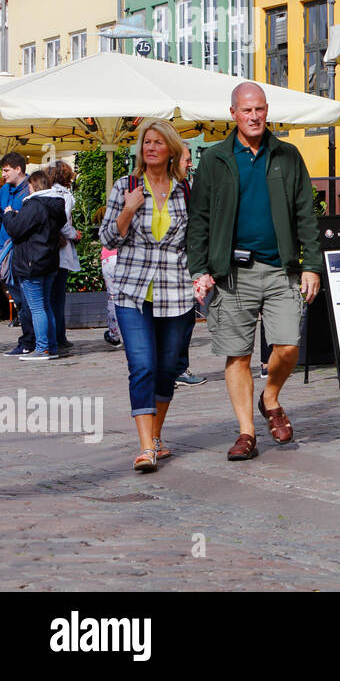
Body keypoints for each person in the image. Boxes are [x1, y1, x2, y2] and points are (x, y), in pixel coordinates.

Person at [189, 82, 322, 462]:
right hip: (231, 273)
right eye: (246, 110)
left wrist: (311, 265)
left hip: (281, 270)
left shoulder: (287, 155)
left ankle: (271, 397)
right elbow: (199, 220)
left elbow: (305, 215)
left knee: (288, 345)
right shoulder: (215, 160)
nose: (254, 116)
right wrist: (200, 269)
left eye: (260, 109)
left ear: (267, 111)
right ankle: (246, 432)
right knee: (237, 355)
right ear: (233, 113)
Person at [99, 120, 195, 471]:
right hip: (133, 291)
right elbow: (107, 239)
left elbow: (196, 239)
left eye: (158, 143)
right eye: (146, 143)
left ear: (170, 149)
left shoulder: (185, 189)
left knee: (168, 368)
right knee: (142, 365)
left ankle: (155, 438)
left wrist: (202, 277)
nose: (150, 148)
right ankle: (146, 447)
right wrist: (128, 208)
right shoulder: (126, 186)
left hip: (176, 290)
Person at [4, 169, 67, 363]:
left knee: (37, 308)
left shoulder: (35, 204)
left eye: (29, 186)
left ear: (34, 185)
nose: (28, 189)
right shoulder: (56, 204)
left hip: (32, 261)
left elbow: (16, 229)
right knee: (46, 306)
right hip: (49, 261)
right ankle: (52, 346)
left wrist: (9, 215)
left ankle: (42, 348)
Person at [172, 146, 206, 387]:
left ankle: (177, 368)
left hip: (185, 261)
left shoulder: (185, 186)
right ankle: (174, 369)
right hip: (172, 267)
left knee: (185, 320)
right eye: (187, 159)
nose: (190, 164)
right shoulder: (169, 188)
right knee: (180, 320)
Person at [0, 154, 35, 357]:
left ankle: (31, 340)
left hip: (23, 250)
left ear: (18, 169)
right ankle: (29, 338)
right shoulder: (5, 190)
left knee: (28, 299)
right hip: (6, 249)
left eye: (6, 170)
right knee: (19, 297)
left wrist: (12, 216)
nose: (3, 174)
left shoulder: (31, 188)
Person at [46, 161, 81, 356]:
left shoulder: (42, 192)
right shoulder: (65, 196)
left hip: (44, 250)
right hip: (60, 249)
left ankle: (53, 336)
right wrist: (75, 234)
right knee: (57, 297)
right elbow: (64, 222)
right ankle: (59, 336)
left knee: (48, 297)